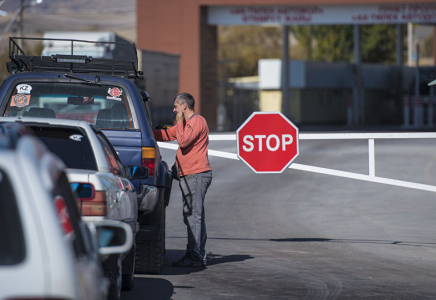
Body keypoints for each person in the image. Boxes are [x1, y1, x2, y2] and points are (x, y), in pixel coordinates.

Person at [153, 92, 212, 267]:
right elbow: (166, 135)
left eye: (176, 107)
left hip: (196, 174)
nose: (174, 109)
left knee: (194, 216)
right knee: (193, 215)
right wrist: (143, 129)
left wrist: (178, 121)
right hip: (188, 174)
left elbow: (184, 141)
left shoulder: (197, 121)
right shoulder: (186, 124)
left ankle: (195, 257)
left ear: (184, 106)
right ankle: (197, 253)